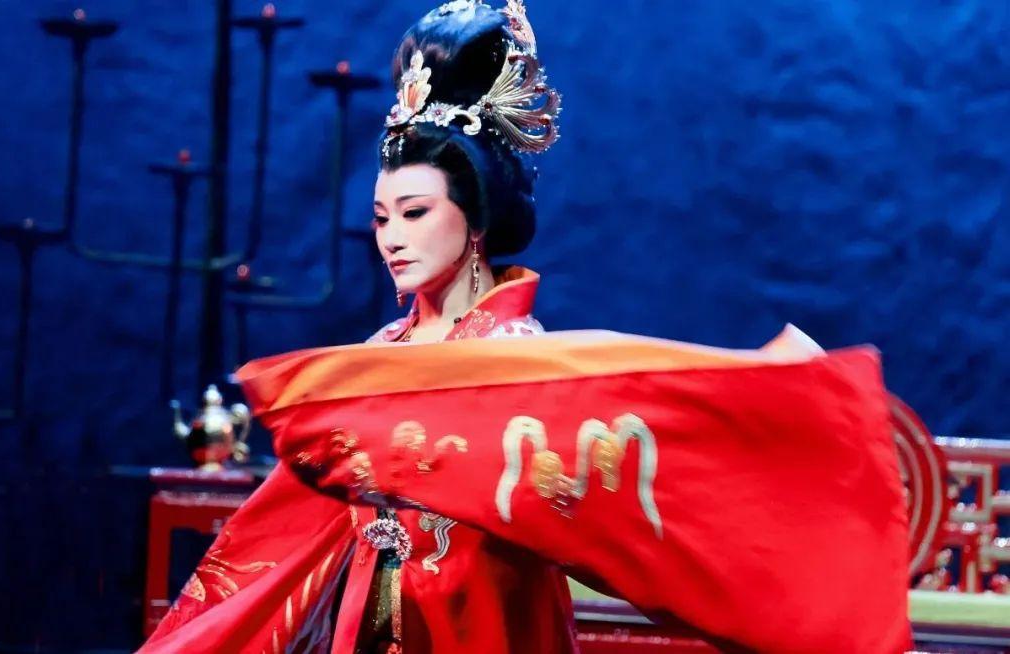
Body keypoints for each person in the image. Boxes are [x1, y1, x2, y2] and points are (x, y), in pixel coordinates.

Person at [140, 2, 911, 652]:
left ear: (474, 216)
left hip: (486, 623)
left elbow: (644, 443)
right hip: (372, 627)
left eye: (415, 213)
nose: (393, 238)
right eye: (380, 218)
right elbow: (275, 533)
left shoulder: (521, 364)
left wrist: (770, 384)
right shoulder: (379, 356)